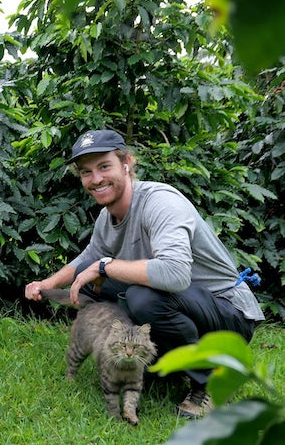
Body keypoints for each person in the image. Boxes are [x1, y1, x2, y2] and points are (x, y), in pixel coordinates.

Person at [25, 129, 264, 419]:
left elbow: (175, 275)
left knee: (143, 297)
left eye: (104, 166)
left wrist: (104, 267)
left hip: (229, 314)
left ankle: (210, 383)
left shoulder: (161, 202)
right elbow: (89, 258)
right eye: (86, 172)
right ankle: (158, 361)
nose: (96, 179)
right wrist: (48, 283)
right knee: (89, 286)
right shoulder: (108, 215)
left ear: (126, 163)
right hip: (186, 306)